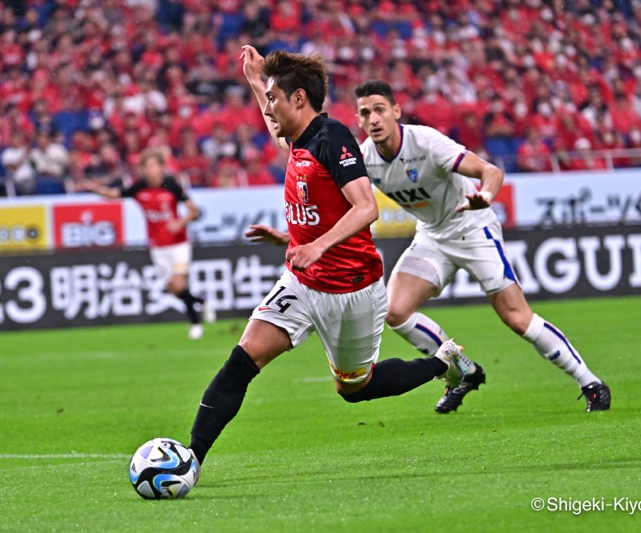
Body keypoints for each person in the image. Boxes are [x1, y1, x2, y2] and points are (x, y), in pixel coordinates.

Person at [186, 47, 469, 469]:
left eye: (274, 98)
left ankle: (441, 362)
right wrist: (254, 78)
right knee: (244, 357)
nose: (268, 107)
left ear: (298, 99)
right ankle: (191, 458)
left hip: (352, 288)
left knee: (356, 388)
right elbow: (276, 126)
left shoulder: (331, 137)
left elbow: (365, 208)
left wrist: (317, 246)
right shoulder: (298, 140)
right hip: (301, 281)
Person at [353, 79, 612, 413]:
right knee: (396, 311)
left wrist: (486, 196)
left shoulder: (426, 142)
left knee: (517, 318)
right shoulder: (364, 159)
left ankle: (591, 382)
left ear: (396, 112)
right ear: (358, 121)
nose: (373, 119)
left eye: (379, 110)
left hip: (472, 227)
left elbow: (490, 171)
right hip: (433, 234)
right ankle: (463, 371)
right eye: (365, 113)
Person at [83, 147, 214, 340]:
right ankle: (201, 301)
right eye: (148, 166)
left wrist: (180, 223)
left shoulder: (171, 185)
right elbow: (115, 195)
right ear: (143, 169)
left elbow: (193, 210)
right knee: (173, 290)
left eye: (155, 165)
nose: (152, 170)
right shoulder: (140, 187)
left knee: (178, 285)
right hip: (157, 246)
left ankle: (195, 325)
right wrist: (96, 189)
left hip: (178, 244)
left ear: (161, 167)